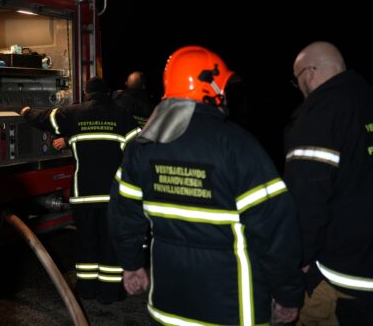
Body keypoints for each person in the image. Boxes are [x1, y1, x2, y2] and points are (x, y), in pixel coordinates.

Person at [109, 46, 304, 325]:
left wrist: (131, 265)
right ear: (213, 87)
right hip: (233, 311)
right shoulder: (238, 145)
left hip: (168, 308)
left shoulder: (142, 147)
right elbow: (276, 231)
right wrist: (288, 295)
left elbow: (123, 214)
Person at [20, 76, 140, 304]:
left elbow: (45, 119)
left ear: (86, 92)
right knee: (109, 242)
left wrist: (26, 112)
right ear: (108, 93)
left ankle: (86, 289)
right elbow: (136, 149)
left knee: (86, 241)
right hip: (112, 195)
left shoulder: (73, 113)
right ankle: (109, 293)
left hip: (83, 193)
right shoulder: (121, 114)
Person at [284, 41, 373, 326]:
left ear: (309, 72)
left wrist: (300, 260)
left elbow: (307, 196)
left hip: (345, 275)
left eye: (297, 79)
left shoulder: (322, 113)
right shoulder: (367, 100)